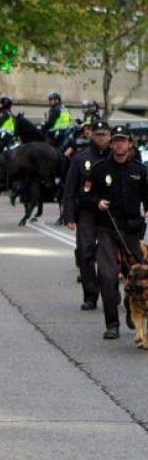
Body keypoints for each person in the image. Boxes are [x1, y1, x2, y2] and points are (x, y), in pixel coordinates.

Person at [91, 125, 148, 340]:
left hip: (132, 231)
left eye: (123, 140)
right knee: (106, 276)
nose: (119, 144)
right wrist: (97, 202)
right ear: (111, 144)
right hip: (108, 228)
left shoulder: (140, 171)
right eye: (115, 140)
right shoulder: (100, 169)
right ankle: (112, 324)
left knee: (138, 275)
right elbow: (85, 195)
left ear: (130, 144)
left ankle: (132, 306)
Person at [63, 120, 111, 311]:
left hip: (110, 212)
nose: (101, 138)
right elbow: (70, 189)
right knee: (85, 252)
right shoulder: (81, 158)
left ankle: (112, 295)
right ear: (91, 135)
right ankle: (90, 295)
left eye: (104, 134)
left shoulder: (117, 157)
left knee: (110, 256)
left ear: (109, 136)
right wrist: (69, 215)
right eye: (97, 134)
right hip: (87, 212)